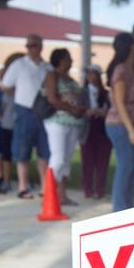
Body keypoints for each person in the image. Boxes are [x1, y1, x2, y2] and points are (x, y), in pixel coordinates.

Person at [1, 34, 52, 199]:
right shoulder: (19, 64)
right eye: (28, 46)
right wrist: (19, 96)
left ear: (40, 47)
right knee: (23, 150)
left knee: (44, 151)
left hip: (43, 111)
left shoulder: (47, 67)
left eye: (34, 45)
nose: (31, 49)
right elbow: (5, 85)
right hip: (24, 111)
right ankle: (23, 186)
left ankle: (45, 186)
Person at [106, 32, 134, 212]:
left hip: (131, 122)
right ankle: (119, 208)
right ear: (130, 46)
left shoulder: (132, 68)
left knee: (130, 167)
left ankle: (126, 206)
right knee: (125, 165)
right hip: (120, 124)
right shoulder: (121, 70)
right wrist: (131, 130)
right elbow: (119, 102)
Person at [43, 48, 87, 205]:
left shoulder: (71, 79)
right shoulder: (52, 76)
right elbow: (52, 99)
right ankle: (49, 193)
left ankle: (62, 195)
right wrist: (72, 109)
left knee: (67, 160)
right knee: (58, 158)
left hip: (73, 124)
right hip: (57, 122)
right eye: (68, 58)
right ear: (60, 60)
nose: (71, 61)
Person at [0, 53, 24, 193]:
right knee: (5, 153)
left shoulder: (18, 89)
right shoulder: (6, 91)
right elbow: (2, 107)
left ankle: (20, 182)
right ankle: (6, 180)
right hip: (7, 124)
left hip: (17, 124)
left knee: (20, 154)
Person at [81, 64, 111, 199]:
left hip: (102, 127)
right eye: (90, 74)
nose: (92, 77)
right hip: (88, 127)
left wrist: (103, 112)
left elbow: (110, 109)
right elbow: (79, 109)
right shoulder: (82, 93)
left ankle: (100, 189)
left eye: (95, 74)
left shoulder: (106, 94)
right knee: (87, 160)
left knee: (102, 160)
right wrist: (87, 112)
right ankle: (88, 188)